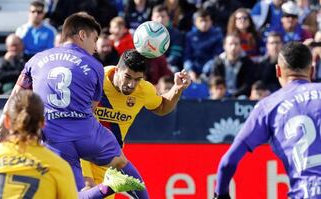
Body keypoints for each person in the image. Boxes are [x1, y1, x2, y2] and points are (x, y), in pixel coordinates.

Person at [0, 12, 146, 199]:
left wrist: (0, 134)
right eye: (94, 40)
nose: (95, 48)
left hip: (54, 136)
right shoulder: (96, 66)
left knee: (72, 195)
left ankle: (105, 188)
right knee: (121, 163)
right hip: (87, 131)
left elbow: (14, 99)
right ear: (82, 35)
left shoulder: (35, 60)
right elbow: (92, 108)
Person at [214, 42, 321, 199]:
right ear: (312, 71)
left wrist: (220, 194)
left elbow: (227, 162)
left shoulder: (269, 106)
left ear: (278, 71)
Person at [81, 49, 192, 198]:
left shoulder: (143, 90)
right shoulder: (96, 80)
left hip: (108, 160)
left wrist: (177, 89)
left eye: (137, 79)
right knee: (86, 190)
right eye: (127, 77)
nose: (131, 84)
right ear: (117, 70)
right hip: (81, 152)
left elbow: (161, 107)